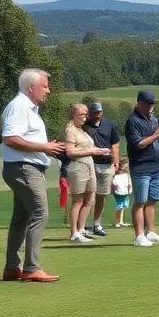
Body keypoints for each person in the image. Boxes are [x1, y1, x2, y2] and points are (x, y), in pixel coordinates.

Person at [0, 68, 67, 282]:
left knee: (21, 217)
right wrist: (44, 147)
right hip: (24, 168)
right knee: (40, 212)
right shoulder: (20, 107)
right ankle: (31, 268)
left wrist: (45, 148)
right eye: (45, 86)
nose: (48, 90)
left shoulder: (28, 108)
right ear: (31, 87)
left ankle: (12, 267)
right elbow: (10, 138)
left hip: (23, 167)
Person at [125, 90, 159, 248]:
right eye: (148, 103)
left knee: (152, 201)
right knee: (140, 201)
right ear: (140, 103)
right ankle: (139, 235)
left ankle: (151, 232)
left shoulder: (153, 118)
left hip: (155, 167)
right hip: (140, 166)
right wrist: (157, 133)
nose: (152, 106)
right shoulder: (133, 121)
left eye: (153, 103)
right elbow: (139, 144)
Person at [63, 102, 110, 243]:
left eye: (85, 114)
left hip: (89, 166)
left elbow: (89, 146)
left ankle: (82, 228)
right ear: (74, 115)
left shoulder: (82, 130)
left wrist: (101, 150)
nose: (85, 117)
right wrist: (93, 151)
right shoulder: (70, 130)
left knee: (90, 199)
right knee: (78, 201)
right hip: (78, 167)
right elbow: (70, 152)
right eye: (81, 114)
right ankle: (74, 232)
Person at [82, 101, 120, 237]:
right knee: (86, 196)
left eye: (99, 112)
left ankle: (97, 224)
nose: (97, 115)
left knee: (101, 196)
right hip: (89, 164)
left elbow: (115, 143)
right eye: (94, 113)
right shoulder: (83, 125)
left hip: (106, 165)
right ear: (89, 113)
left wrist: (116, 162)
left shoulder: (109, 124)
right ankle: (81, 226)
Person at [112, 157, 131, 228]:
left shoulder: (126, 174)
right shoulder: (116, 175)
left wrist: (130, 189)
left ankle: (120, 221)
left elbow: (129, 183)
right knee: (119, 206)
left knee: (123, 206)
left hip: (124, 192)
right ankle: (117, 222)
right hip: (119, 192)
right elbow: (114, 183)